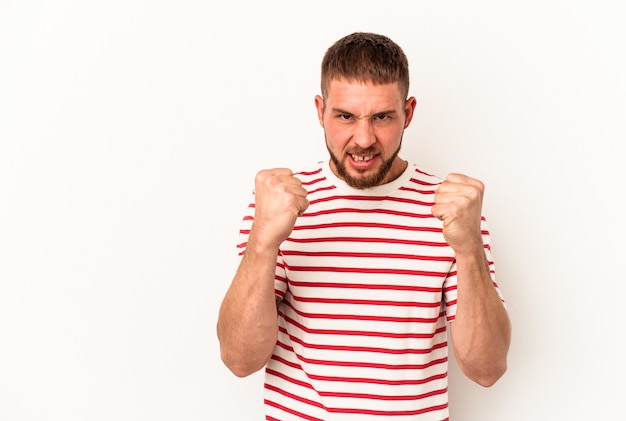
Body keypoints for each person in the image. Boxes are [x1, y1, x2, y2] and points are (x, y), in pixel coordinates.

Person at [216, 32, 511, 420]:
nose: (364, 138)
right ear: (320, 110)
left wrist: (469, 247)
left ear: (408, 112)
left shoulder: (453, 210)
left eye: (382, 117)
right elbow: (240, 360)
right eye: (345, 116)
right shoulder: (278, 204)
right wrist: (263, 243)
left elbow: (487, 369)